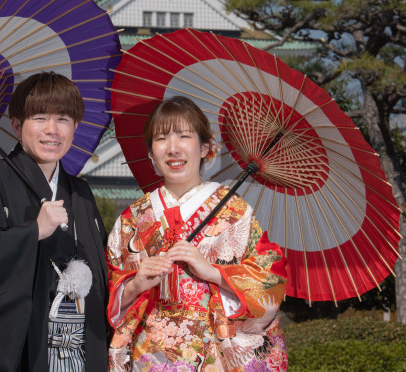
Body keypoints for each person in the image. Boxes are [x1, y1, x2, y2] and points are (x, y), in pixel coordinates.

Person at [106, 96, 289, 371]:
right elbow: (107, 286)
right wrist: (135, 285)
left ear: (205, 147)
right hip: (149, 356)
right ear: (151, 152)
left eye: (184, 136)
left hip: (214, 355)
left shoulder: (234, 212)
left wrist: (214, 273)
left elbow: (269, 280)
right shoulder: (132, 218)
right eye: (161, 138)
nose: (173, 149)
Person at [0, 72, 109, 372]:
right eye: (40, 117)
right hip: (24, 349)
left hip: (78, 346)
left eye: (63, 119)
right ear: (17, 125)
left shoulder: (81, 192)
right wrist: (32, 231)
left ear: (75, 127)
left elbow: (102, 268)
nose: (52, 130)